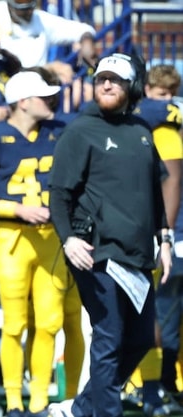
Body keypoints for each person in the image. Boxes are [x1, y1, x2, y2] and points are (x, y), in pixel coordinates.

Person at [47, 53, 173, 417]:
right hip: (95, 251)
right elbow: (59, 193)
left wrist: (164, 239)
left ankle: (83, 407)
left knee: (141, 339)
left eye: (115, 80)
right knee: (109, 338)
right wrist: (69, 238)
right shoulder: (80, 130)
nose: (106, 84)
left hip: (138, 254)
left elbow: (154, 192)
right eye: (101, 78)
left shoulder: (142, 132)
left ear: (131, 87)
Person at [0, 70, 74, 417]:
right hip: (13, 237)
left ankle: (41, 399)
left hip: (51, 239)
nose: (52, 101)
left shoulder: (59, 133)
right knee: (14, 324)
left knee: (49, 322)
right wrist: (18, 209)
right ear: (23, 101)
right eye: (44, 96)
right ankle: (14, 401)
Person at [133, 64, 183, 416]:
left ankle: (160, 386)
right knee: (157, 314)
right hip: (162, 230)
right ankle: (155, 386)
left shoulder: (162, 121)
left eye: (170, 95)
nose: (165, 101)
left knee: (162, 314)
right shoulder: (164, 119)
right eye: (159, 93)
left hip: (168, 230)